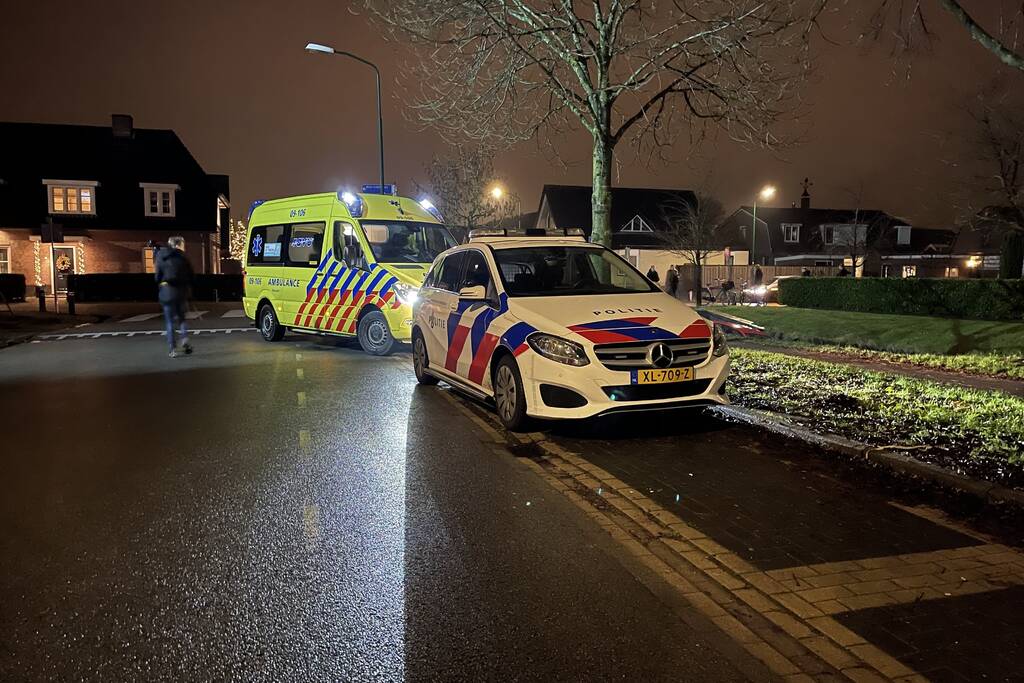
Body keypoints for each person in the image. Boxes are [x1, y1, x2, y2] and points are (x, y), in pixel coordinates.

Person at [155, 236, 195, 358]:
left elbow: (157, 276)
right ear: (179, 244)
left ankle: (172, 349)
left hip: (167, 291)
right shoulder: (183, 257)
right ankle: (184, 339)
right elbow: (191, 275)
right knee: (182, 318)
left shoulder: (162, 256)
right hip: (181, 291)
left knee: (169, 321)